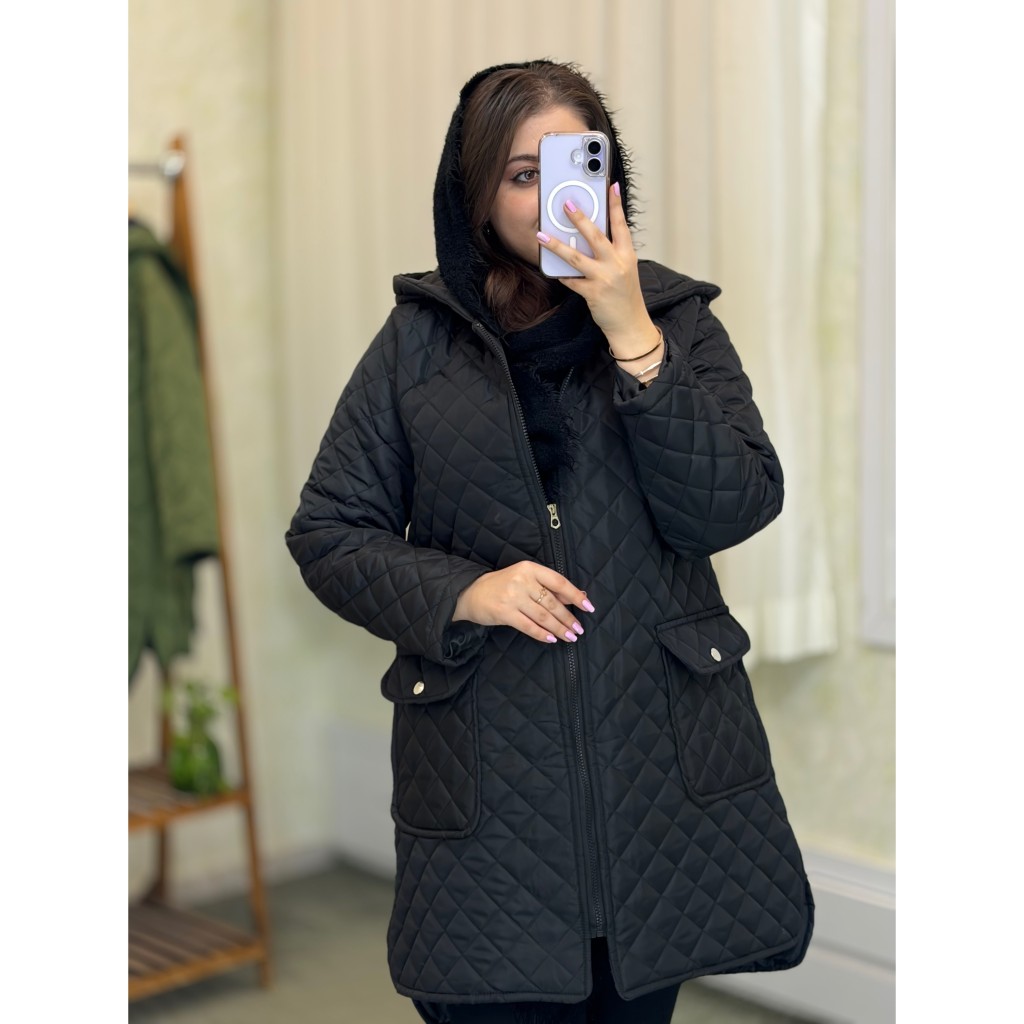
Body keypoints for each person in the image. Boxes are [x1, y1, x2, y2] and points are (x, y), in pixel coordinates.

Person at [286, 60, 813, 1024]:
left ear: (611, 176)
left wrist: (631, 332)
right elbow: (328, 532)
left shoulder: (677, 321)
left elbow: (732, 507)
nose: (552, 197)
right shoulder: (416, 345)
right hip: (489, 801)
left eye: (575, 164)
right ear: (477, 195)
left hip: (655, 791)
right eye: (522, 174)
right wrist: (466, 592)